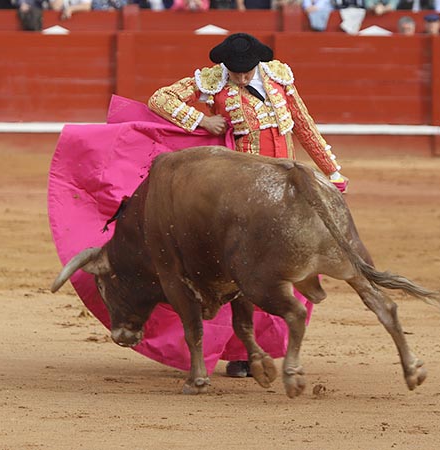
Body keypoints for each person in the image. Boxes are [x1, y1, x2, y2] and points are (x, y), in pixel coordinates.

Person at [148, 33, 348, 377]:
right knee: (244, 273)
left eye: (245, 71)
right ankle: (244, 353)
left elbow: (304, 126)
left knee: (294, 263)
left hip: (288, 185)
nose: (240, 77)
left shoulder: (279, 77)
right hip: (244, 192)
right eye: (235, 72)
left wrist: (333, 171)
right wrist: (201, 120)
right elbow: (159, 99)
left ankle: (272, 345)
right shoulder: (213, 81)